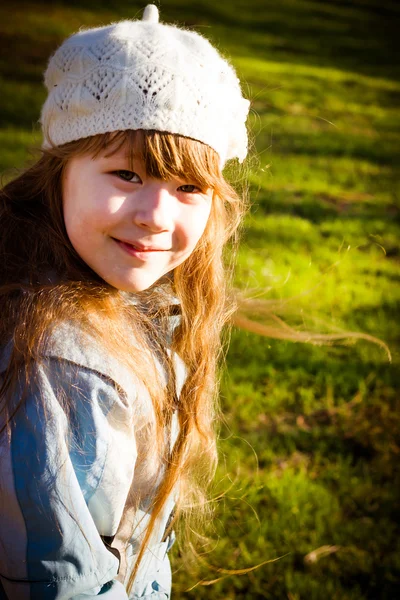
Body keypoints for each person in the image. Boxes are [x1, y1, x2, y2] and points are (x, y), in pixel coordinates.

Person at [0, 4, 250, 599]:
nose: (156, 216)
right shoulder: (60, 365)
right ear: (58, 170)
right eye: (127, 176)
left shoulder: (122, 299)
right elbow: (57, 584)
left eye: (189, 187)